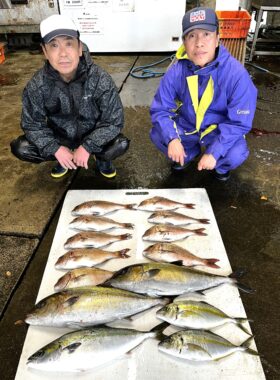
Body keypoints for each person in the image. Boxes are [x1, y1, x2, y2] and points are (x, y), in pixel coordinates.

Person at [10, 14, 129, 178]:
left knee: (120, 144)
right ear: (44, 51)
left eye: (69, 44)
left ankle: (101, 158)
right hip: (61, 139)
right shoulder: (37, 85)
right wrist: (55, 148)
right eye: (54, 45)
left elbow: (114, 120)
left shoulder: (100, 79)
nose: (63, 53)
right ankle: (63, 158)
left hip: (92, 135)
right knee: (21, 147)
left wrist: (88, 146)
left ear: (80, 48)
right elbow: (32, 124)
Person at [150, 7, 257, 181]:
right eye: (192, 36)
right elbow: (160, 110)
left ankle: (220, 166)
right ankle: (187, 154)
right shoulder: (176, 70)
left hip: (217, 130)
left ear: (217, 39)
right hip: (188, 126)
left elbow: (239, 123)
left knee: (236, 153)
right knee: (158, 134)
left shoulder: (237, 75)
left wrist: (215, 153)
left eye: (206, 34)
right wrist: (172, 139)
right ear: (184, 42)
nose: (199, 43)